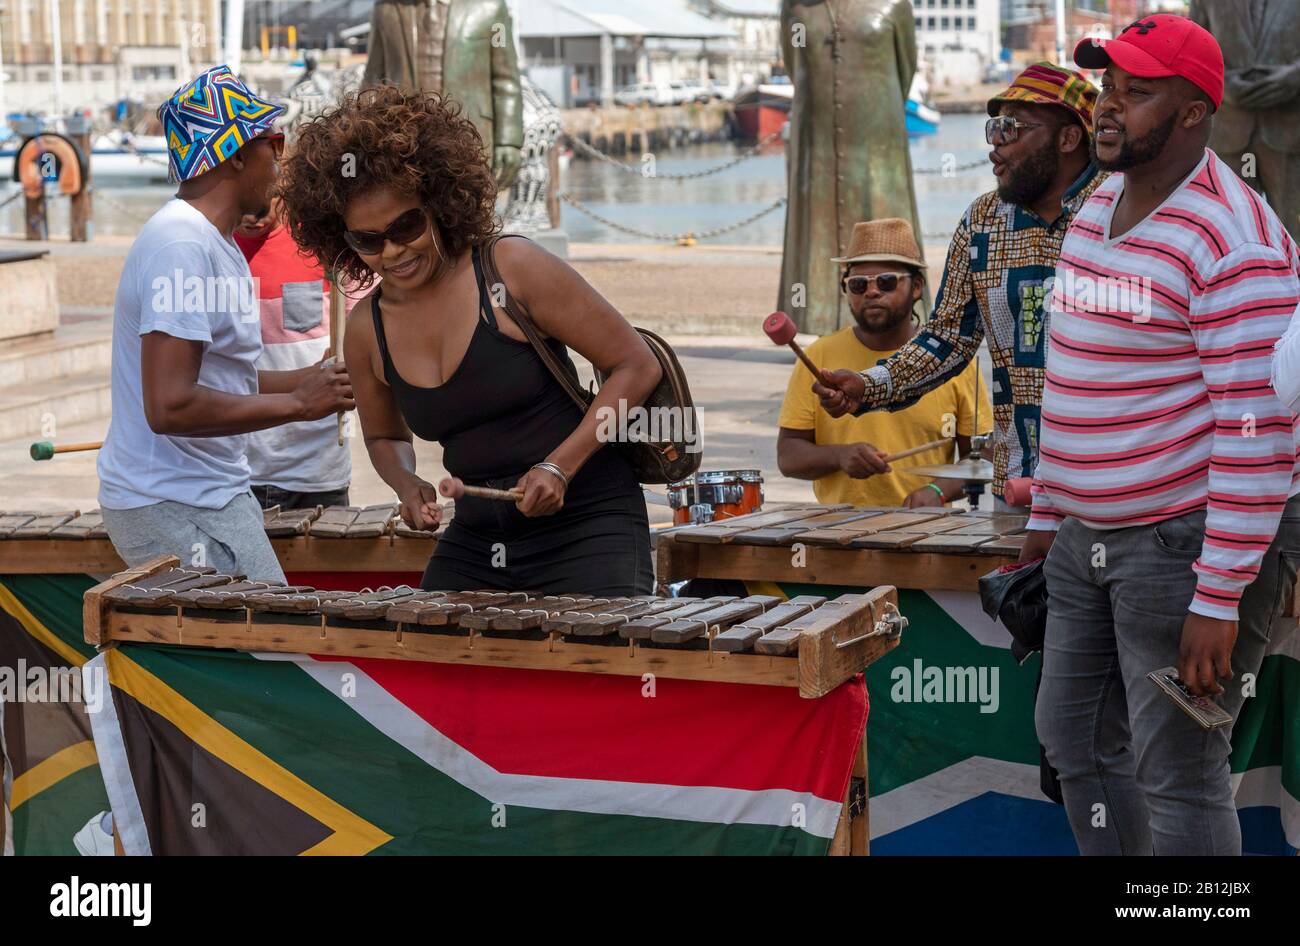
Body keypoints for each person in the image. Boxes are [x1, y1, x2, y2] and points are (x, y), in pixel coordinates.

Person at [1025, 16, 1300, 856]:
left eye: (1136, 93)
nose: (1108, 108)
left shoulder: (1235, 242)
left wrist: (1218, 597)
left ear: (1192, 113)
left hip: (1182, 543)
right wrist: (1047, 517)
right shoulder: (1101, 197)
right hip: (1085, 538)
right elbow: (1076, 372)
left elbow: (1260, 431)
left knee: (1180, 766)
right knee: (1072, 740)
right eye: (1108, 87)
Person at [278, 85, 661, 595]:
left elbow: (637, 366)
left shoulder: (511, 269)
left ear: (438, 203)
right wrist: (406, 483)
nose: (393, 251)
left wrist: (558, 468)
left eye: (407, 226)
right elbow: (385, 436)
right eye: (368, 240)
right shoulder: (368, 327)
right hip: (479, 535)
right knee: (433, 659)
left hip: (588, 518)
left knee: (593, 668)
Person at [97, 66, 355, 583]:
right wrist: (299, 405)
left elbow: (221, 379)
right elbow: (170, 405)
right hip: (174, 501)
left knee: (263, 647)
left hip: (205, 495)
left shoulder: (217, 244)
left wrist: (308, 381)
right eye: (272, 144)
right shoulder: (182, 248)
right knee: (270, 646)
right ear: (237, 153)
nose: (280, 163)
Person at [811, 63, 1104, 505]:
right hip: (1019, 480)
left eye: (1011, 130)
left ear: (1068, 138)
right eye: (992, 129)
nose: (994, 147)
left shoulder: (1120, 209)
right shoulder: (982, 221)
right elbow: (948, 337)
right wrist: (867, 385)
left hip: (1114, 478)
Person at [778, 219, 990, 508]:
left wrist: (938, 492)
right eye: (858, 284)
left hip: (925, 532)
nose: (872, 292)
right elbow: (788, 455)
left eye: (887, 281)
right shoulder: (818, 357)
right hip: (837, 534)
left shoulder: (951, 359)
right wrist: (839, 456)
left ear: (916, 287)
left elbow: (983, 455)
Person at [235, 199, 353, 510]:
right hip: (244, 471)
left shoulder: (321, 240)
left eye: (260, 209)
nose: (251, 220)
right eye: (242, 208)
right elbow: (216, 374)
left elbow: (364, 328)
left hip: (321, 466)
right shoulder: (213, 249)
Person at [1189, 0, 1300, 240]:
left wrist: (1294, 76)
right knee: (1229, 229)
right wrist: (1222, 83)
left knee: (1294, 230)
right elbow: (1193, 49)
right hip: (1228, 131)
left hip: (1289, 132)